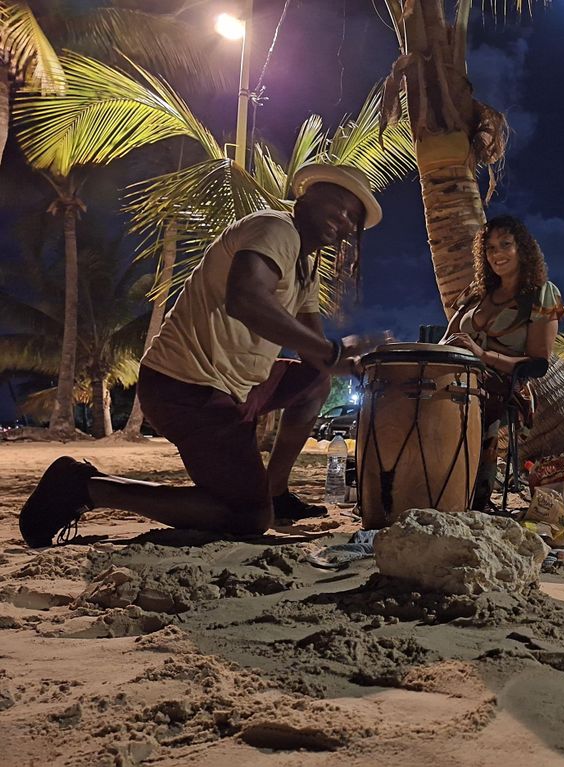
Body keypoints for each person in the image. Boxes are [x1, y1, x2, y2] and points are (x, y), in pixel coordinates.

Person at [20, 164, 385, 548]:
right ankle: (87, 487)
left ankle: (275, 491)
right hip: (186, 388)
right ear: (306, 196)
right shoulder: (275, 228)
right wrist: (332, 353)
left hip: (238, 388)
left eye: (352, 218)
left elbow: (318, 353)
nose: (343, 220)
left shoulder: (306, 267)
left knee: (315, 381)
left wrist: (358, 363)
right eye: (339, 204)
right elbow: (245, 299)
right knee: (246, 516)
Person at [442, 216, 564, 511]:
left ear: (522, 249)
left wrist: (482, 356)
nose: (496, 254)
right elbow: (448, 338)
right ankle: (422, 479)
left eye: (505, 245)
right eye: (490, 248)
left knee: (468, 391)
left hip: (503, 383)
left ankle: (472, 494)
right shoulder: (476, 293)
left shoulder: (540, 294)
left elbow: (538, 362)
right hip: (456, 372)